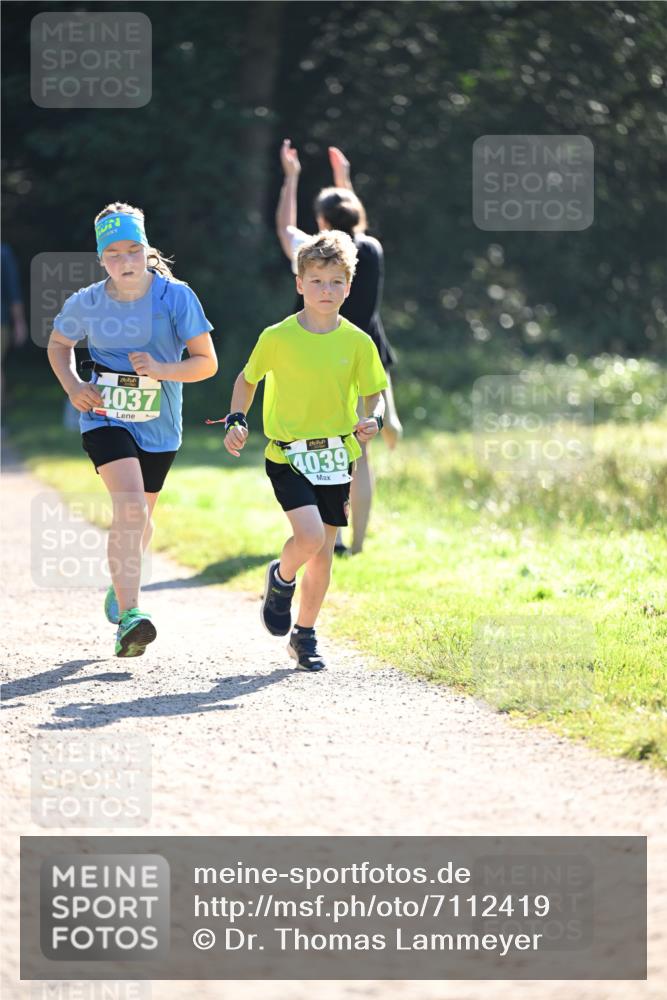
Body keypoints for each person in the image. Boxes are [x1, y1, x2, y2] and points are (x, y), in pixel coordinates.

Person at [47, 202, 217, 658]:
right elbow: (59, 343)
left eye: (133, 251)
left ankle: (119, 588)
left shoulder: (176, 297)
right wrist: (73, 385)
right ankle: (130, 617)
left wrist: (162, 368)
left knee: (141, 517)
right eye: (114, 254)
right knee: (130, 511)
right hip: (105, 415)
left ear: (146, 250)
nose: (125, 262)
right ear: (101, 258)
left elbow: (207, 364)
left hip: (160, 424)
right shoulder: (87, 301)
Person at [223, 231, 387, 672]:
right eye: (316, 281)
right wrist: (237, 419)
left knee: (325, 550)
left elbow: (377, 392)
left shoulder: (357, 342)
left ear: (349, 287)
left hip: (338, 456)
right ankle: (281, 578)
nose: (326, 291)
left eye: (336, 282)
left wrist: (377, 418)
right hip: (288, 455)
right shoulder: (277, 337)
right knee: (311, 538)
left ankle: (305, 635)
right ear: (299, 284)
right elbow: (247, 379)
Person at [275, 140, 402, 555]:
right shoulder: (373, 248)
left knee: (323, 449)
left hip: (324, 359)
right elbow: (355, 224)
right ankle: (357, 543)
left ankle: (329, 534)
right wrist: (344, 180)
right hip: (366, 357)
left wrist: (291, 178)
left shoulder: (315, 258)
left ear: (323, 221)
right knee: (360, 455)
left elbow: (284, 229)